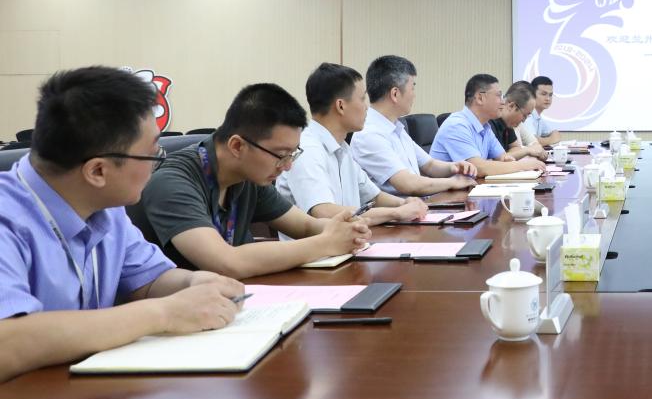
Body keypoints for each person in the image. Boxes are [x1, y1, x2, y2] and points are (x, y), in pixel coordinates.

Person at [0, 67, 245, 383]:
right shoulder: (8, 219)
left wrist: (194, 283)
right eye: (152, 155)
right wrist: (164, 313)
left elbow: (148, 280)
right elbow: (7, 343)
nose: (157, 164)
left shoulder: (104, 204)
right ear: (97, 171)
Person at [132, 83, 371, 279]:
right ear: (237, 146)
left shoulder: (249, 177)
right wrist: (326, 243)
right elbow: (226, 262)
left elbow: (306, 227)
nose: (287, 166)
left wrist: (342, 230)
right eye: (281, 155)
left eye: (292, 154)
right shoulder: (172, 182)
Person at [277, 63, 429, 227]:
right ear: (341, 106)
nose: (366, 107)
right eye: (362, 99)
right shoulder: (307, 150)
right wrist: (396, 213)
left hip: (353, 239)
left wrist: (404, 203)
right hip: (324, 244)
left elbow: (373, 196)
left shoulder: (342, 147)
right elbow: (324, 212)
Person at [350, 55, 479, 196]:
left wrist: (454, 167)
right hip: (398, 209)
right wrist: (453, 182)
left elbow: (429, 165)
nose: (414, 95)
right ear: (395, 94)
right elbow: (408, 184)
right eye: (412, 88)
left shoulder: (396, 127)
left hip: (418, 205)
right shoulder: (369, 134)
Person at [430, 74, 547, 177]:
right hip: (447, 194)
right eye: (498, 96)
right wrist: (523, 166)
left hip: (470, 189)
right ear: (480, 98)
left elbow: (503, 157)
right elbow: (478, 168)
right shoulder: (457, 125)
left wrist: (508, 161)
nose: (503, 102)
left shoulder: (485, 127)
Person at [490, 81, 547, 161]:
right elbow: (498, 159)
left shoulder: (507, 123)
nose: (524, 121)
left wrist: (522, 152)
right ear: (511, 106)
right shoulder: (490, 123)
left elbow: (515, 148)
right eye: (524, 115)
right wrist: (527, 150)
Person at [519, 75, 562, 147]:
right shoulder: (527, 115)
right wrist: (551, 140)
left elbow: (556, 133)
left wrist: (547, 140)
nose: (548, 98)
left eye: (550, 95)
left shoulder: (538, 117)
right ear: (532, 94)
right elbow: (532, 141)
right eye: (544, 94)